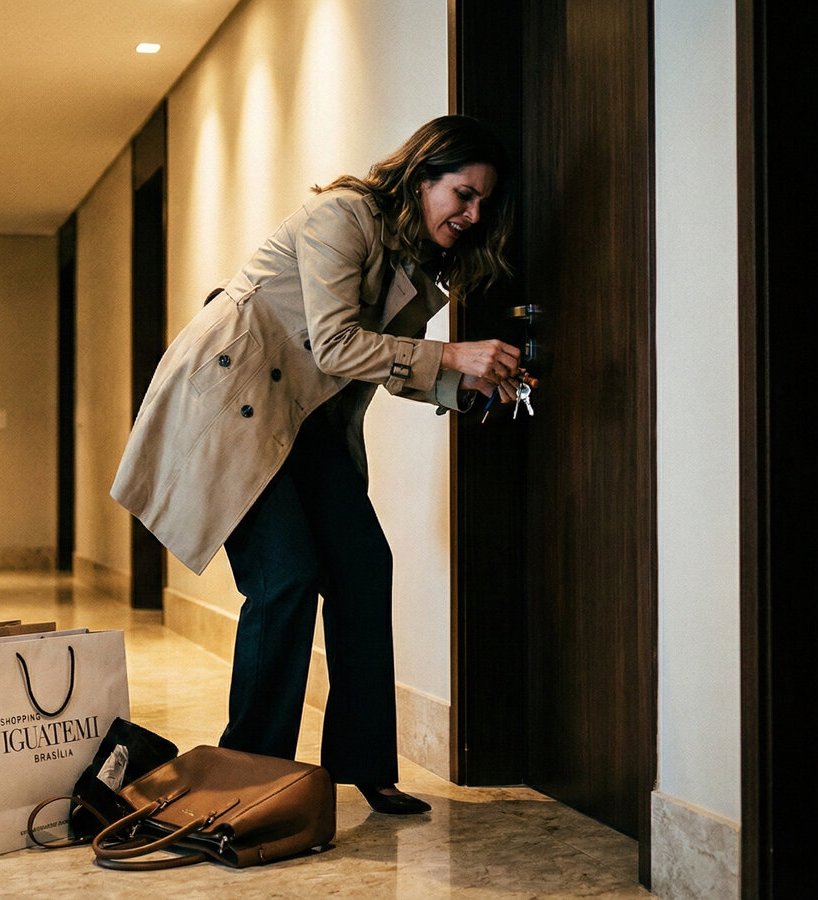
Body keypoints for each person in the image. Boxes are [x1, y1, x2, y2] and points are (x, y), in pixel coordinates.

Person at [111, 115, 526, 815]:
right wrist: (455, 354)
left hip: (304, 421)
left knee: (363, 564)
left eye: (484, 204)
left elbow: (393, 366)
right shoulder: (343, 216)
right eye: (462, 193)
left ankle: (363, 765)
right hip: (234, 404)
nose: (472, 214)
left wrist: (472, 383)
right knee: (286, 578)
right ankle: (249, 772)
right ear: (422, 176)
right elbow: (337, 345)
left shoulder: (417, 264)